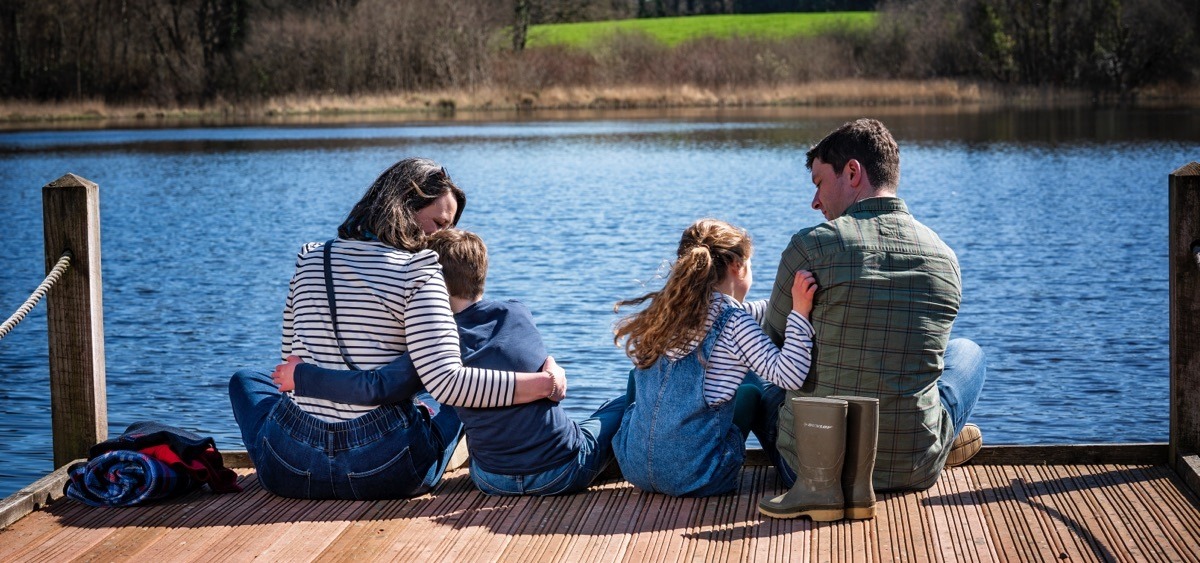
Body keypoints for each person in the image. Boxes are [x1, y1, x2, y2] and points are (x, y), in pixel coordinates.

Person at [228, 157, 565, 500]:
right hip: (382, 469)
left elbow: (291, 358)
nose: (441, 238)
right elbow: (450, 384)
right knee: (457, 395)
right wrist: (544, 383)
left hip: (290, 466)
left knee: (247, 380)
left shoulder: (311, 257)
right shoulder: (420, 271)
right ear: (405, 205)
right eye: (438, 223)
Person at [273, 228, 628, 496]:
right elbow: (532, 353)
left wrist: (301, 376)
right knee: (619, 405)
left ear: (433, 283)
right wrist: (553, 367)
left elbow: (374, 386)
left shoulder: (432, 344)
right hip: (561, 470)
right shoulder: (517, 311)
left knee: (454, 404)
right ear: (481, 273)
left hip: (492, 479)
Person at [757, 119, 987, 520]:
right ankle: (941, 440)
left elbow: (770, 344)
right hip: (914, 466)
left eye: (818, 182)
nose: (815, 201)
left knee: (754, 377)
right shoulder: (944, 257)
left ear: (852, 172)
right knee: (968, 354)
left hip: (809, 467)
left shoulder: (811, 246)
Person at [611, 218, 818, 497]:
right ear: (737, 266)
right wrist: (800, 313)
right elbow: (791, 375)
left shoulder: (664, 312)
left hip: (634, 468)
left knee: (641, 378)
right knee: (751, 390)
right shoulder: (734, 323)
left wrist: (778, 307)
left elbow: (742, 314)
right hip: (698, 477)